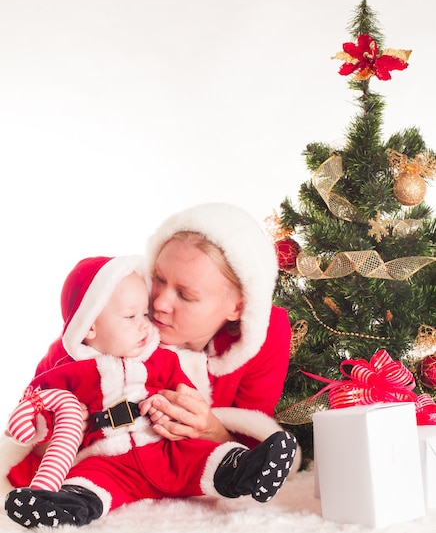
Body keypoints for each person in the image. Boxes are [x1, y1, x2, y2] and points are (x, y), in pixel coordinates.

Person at [1, 202, 301, 495]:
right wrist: (69, 426)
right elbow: (36, 418)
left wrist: (211, 430)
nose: (158, 303)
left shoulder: (263, 334)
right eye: (158, 278)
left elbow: (256, 441)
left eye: (185, 295)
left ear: (238, 306)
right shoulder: (120, 322)